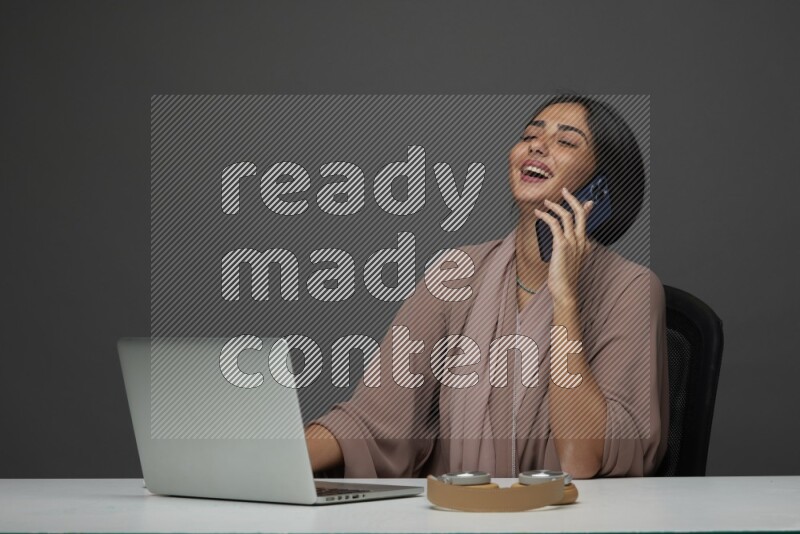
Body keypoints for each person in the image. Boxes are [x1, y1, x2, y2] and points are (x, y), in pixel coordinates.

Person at [304, 94, 669, 479]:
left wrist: (564, 298)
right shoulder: (456, 272)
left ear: (602, 185)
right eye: (530, 136)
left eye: (565, 141)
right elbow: (368, 421)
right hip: (454, 507)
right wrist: (273, 461)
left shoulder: (632, 290)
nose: (538, 146)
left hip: (568, 511)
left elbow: (581, 458)